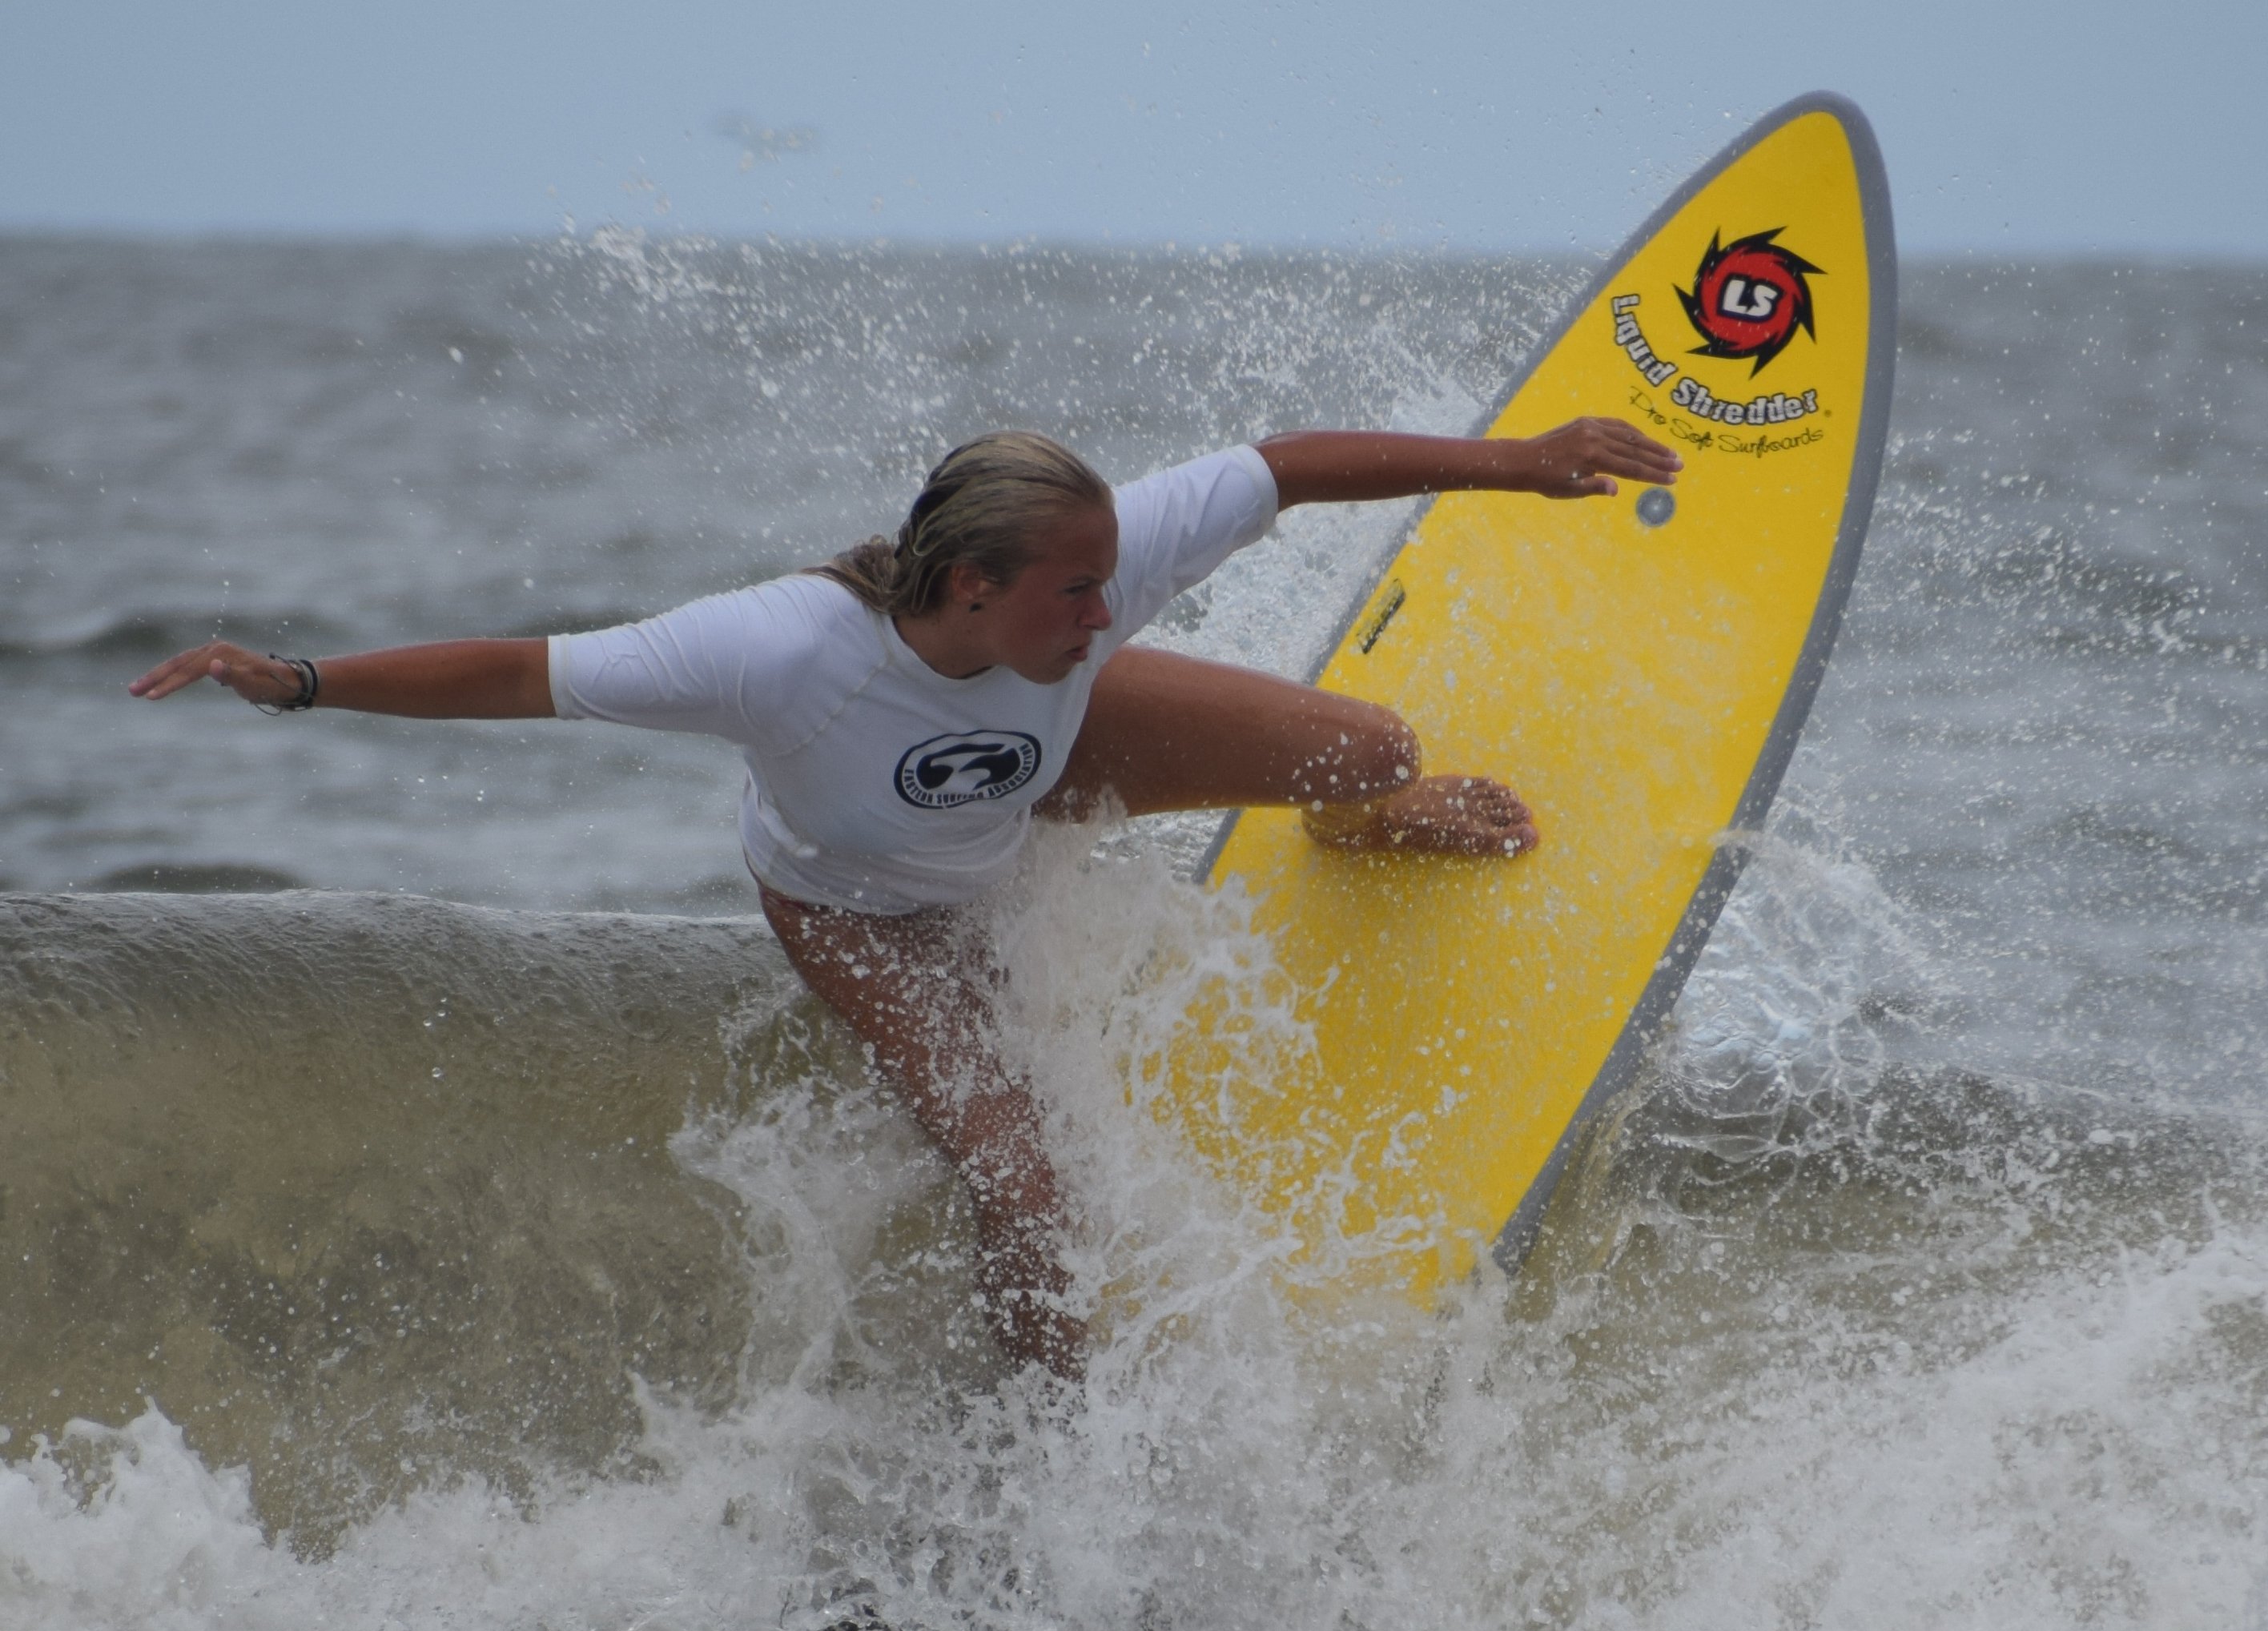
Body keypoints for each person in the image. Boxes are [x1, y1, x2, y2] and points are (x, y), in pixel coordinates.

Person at [134, 419, 1679, 1374]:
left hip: (1043, 762)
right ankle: (1047, 1442)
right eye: (1078, 589)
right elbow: (520, 672)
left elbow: (1283, 469)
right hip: (861, 903)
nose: (1108, 601)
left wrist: (1517, 466)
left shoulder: (1069, 607)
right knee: (1023, 1185)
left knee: (1371, 746)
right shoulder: (777, 654)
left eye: (1109, 580)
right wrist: (302, 682)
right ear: (969, 589)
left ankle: (1361, 823)